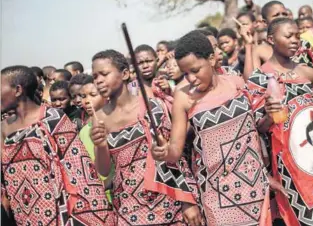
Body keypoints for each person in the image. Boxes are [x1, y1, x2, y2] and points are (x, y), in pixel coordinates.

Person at [151, 31, 271, 226]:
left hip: (256, 187)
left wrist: (271, 115)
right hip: (217, 195)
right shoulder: (183, 97)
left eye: (195, 70)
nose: (190, 78)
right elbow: (174, 153)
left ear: (212, 59)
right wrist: (163, 152)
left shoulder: (236, 83)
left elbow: (257, 130)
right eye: (185, 73)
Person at [247, 18, 313, 226]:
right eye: (287, 36)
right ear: (270, 39)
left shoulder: (307, 72)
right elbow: (258, 129)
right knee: (305, 216)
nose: (294, 40)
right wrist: (268, 115)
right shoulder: (259, 78)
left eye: (296, 36)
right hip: (290, 161)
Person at [89, 49, 199, 225]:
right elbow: (103, 170)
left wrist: (187, 201)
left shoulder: (151, 106)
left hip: (168, 200)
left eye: (104, 74)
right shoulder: (99, 118)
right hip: (128, 207)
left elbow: (174, 157)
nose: (98, 80)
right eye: (95, 77)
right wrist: (101, 145)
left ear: (125, 74)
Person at [1, 66, 114, 225]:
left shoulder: (52, 118)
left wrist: (92, 215)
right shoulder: (4, 128)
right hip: (26, 216)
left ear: (18, 90)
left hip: (61, 213)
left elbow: (80, 169)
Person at [77, 74, 113, 203]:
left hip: (116, 192)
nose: (86, 101)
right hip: (96, 198)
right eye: (83, 96)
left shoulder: (113, 125)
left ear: (106, 95)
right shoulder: (84, 131)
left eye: (93, 95)